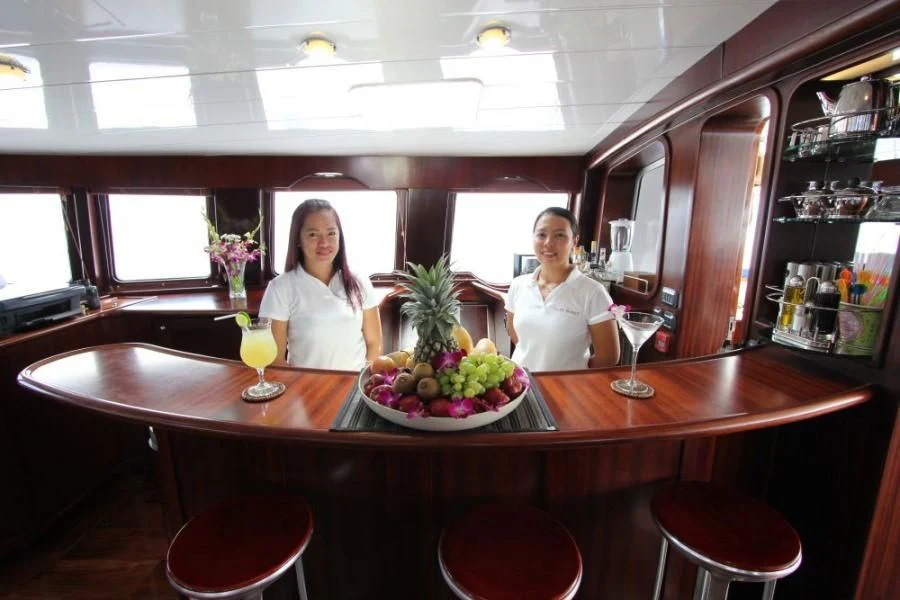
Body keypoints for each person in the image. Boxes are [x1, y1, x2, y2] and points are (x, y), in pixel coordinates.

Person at [259, 199, 382, 370]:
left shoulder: (359, 281)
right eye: (313, 234)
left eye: (331, 233)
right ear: (298, 239)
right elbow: (275, 360)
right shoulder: (280, 288)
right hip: (307, 391)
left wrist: (362, 383)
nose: (324, 243)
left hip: (354, 388)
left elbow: (374, 344)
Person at [505, 207, 620, 371]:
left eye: (559, 235)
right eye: (541, 235)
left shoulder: (593, 292)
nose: (548, 243)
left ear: (574, 241)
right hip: (519, 384)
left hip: (567, 391)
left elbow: (608, 357)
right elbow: (517, 336)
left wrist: (573, 377)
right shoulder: (518, 285)